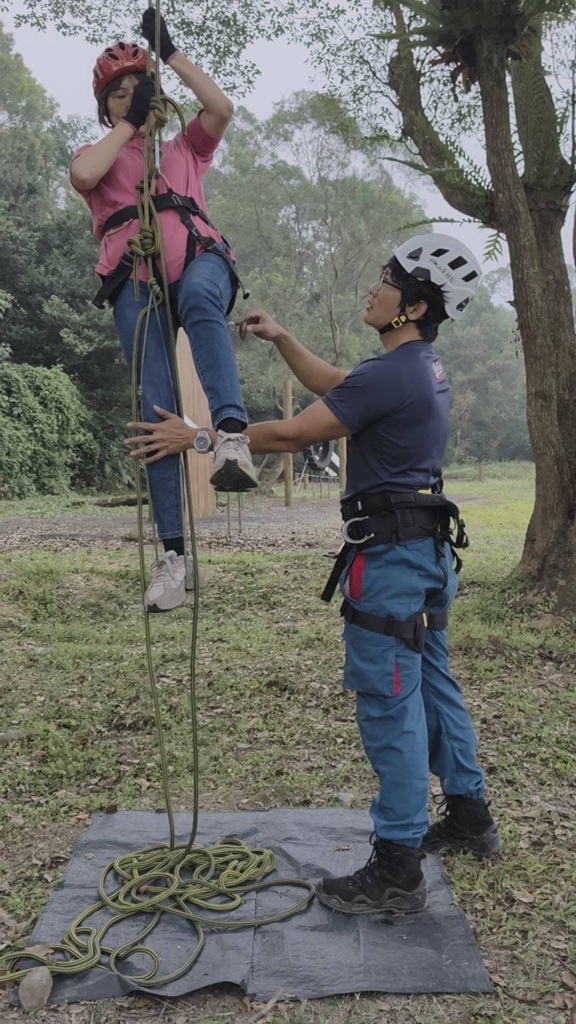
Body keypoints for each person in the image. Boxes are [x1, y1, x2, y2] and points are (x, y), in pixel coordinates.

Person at [124, 233, 502, 915]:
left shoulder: (396, 373)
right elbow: (336, 386)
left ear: (411, 305)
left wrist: (200, 437)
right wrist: (283, 338)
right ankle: (471, 817)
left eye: (386, 280)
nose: (373, 287)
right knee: (434, 684)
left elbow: (299, 433)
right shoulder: (420, 366)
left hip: (389, 562)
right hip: (425, 554)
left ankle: (396, 870)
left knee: (391, 703)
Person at [70, 7, 257, 614]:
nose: (131, 98)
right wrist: (129, 124)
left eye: (139, 89)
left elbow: (221, 108)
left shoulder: (184, 149)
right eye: (118, 94)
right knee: (157, 413)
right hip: (137, 280)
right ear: (107, 108)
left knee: (204, 297)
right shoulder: (105, 152)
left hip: (197, 261)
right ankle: (175, 556)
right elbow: (84, 173)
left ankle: (231, 435)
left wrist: (170, 53)